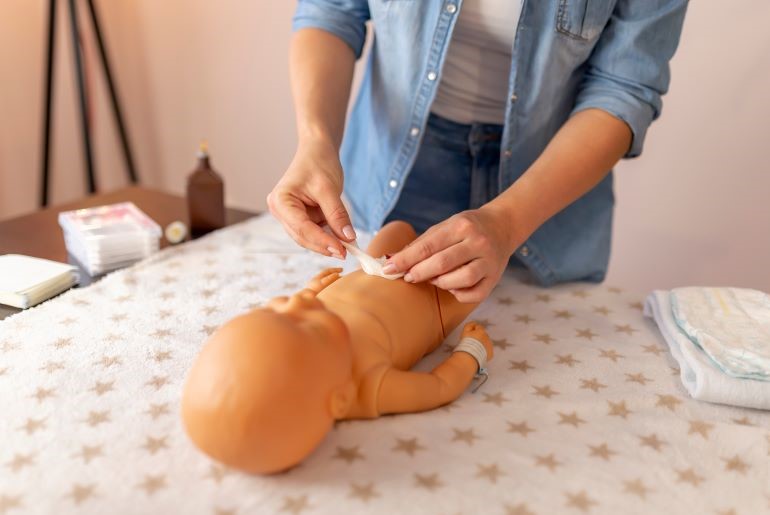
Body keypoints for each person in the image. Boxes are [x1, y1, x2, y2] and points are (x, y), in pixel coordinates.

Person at [268, 0, 688, 302]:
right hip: (399, 171)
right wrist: (316, 140)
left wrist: (508, 222)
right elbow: (331, 11)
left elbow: (625, 88)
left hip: (548, 185)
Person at [181, 221, 494, 474]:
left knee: (398, 228)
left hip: (377, 266)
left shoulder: (304, 337)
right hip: (434, 303)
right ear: (341, 400)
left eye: (273, 311)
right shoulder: (367, 385)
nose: (298, 303)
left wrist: (313, 290)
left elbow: (304, 304)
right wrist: (471, 353)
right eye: (314, 326)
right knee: (477, 275)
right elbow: (438, 387)